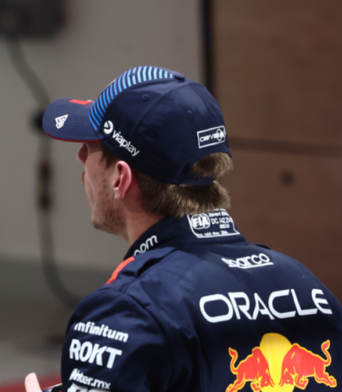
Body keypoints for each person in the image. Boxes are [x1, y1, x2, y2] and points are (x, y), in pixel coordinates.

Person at [24, 66, 342, 392]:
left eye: (90, 147)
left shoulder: (124, 313)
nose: (80, 158)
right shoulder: (311, 291)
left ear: (121, 178)